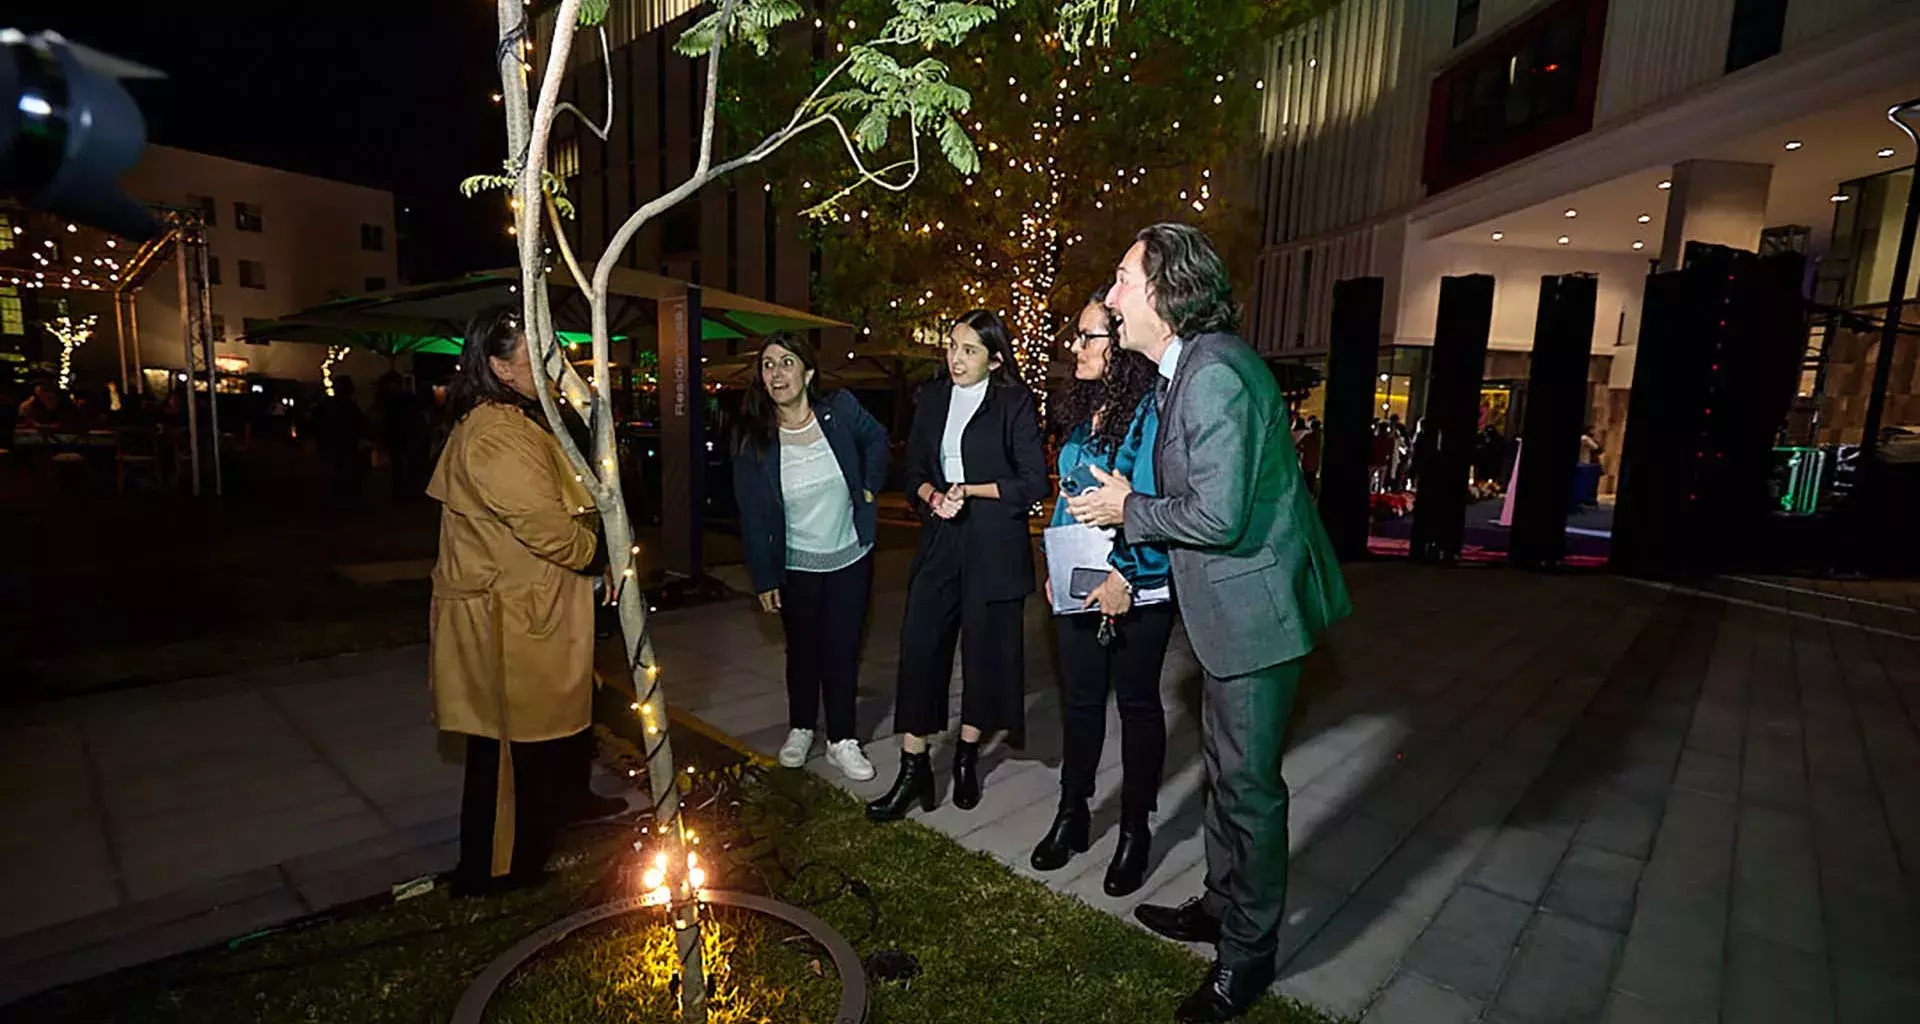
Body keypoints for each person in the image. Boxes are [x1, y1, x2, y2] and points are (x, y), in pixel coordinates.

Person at [1067, 223, 1351, 1024]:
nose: (1113, 294)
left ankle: (1247, 959)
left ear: (1165, 290)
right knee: (1228, 774)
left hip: (1256, 614)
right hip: (1229, 606)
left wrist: (1131, 509)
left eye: (1123, 279)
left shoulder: (1214, 372)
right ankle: (1222, 908)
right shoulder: (1182, 369)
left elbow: (1218, 514)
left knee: (1250, 788)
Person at [426, 307, 611, 897]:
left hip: (533, 605)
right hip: (506, 619)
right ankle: (497, 871)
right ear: (501, 367)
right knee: (507, 752)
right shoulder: (496, 434)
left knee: (546, 737)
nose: (553, 369)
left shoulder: (520, 420)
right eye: (537, 359)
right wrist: (597, 553)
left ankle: (556, 818)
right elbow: (547, 527)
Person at [867, 309, 1047, 821]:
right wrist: (932, 495)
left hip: (993, 541)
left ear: (994, 359)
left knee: (984, 655)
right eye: (952, 346)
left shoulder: (1013, 402)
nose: (956, 358)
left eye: (969, 350)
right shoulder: (933, 399)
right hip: (942, 537)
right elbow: (914, 470)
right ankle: (913, 763)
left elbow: (1034, 483)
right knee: (920, 646)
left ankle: (966, 754)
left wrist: (972, 490)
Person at [1032, 290, 1174, 897]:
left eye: (1088, 337)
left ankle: (1135, 831)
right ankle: (1073, 811)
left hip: (1139, 582)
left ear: (1118, 345)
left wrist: (1125, 575)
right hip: (1078, 579)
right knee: (1082, 702)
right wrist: (1055, 562)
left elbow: (1155, 498)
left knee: (1138, 707)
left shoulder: (1152, 413)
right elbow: (1068, 496)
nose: (1075, 347)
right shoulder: (1083, 406)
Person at [731, 332, 890, 781]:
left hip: (850, 557)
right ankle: (801, 727)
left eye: (786, 362)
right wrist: (763, 578)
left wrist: (870, 487)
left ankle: (843, 739)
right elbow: (752, 517)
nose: (776, 373)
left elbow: (878, 439)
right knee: (801, 652)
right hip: (796, 565)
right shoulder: (754, 440)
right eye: (767, 365)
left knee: (841, 650)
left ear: (808, 372)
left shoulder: (839, 412)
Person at [17, 377, 83, 431]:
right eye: (37, 385)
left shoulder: (67, 403)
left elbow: (74, 422)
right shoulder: (27, 406)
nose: (39, 388)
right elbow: (24, 424)